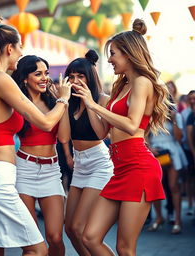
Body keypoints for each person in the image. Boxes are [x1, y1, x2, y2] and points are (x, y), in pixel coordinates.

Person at [0, 14, 71, 256]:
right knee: (38, 250)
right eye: (20, 47)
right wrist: (63, 98)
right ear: (9, 48)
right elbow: (44, 122)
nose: (21, 53)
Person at [74, 19, 171, 255]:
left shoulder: (142, 82)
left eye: (113, 54)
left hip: (139, 167)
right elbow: (101, 133)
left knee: (125, 248)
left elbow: (131, 125)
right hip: (120, 168)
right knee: (89, 237)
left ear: (129, 54)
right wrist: (88, 103)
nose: (109, 59)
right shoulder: (121, 87)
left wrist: (95, 106)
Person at [11, 55, 69, 256]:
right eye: (38, 74)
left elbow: (63, 138)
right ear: (25, 78)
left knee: (55, 238)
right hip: (24, 170)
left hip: (51, 171)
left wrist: (64, 102)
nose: (44, 78)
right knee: (32, 239)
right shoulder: (18, 103)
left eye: (46, 73)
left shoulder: (55, 102)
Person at [64, 49, 114, 256]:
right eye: (72, 76)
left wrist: (89, 103)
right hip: (79, 162)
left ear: (89, 77)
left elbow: (101, 134)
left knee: (78, 227)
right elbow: (64, 136)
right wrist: (68, 156)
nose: (75, 80)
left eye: (80, 75)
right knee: (69, 228)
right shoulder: (69, 100)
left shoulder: (102, 99)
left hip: (99, 163)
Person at [148, 98, 188, 234]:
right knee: (155, 186)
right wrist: (149, 148)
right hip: (155, 152)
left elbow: (178, 137)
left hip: (172, 151)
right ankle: (159, 217)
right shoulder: (149, 113)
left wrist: (174, 119)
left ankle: (177, 220)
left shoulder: (175, 116)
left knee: (173, 186)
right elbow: (144, 135)